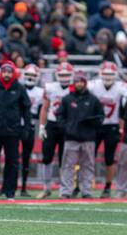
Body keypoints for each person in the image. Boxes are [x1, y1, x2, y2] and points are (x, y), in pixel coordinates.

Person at [0, 63, 31, 200]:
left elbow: (26, 109)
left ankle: (10, 192)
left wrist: (27, 127)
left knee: (12, 162)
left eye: (9, 72)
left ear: (13, 73)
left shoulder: (19, 88)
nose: (7, 74)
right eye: (4, 71)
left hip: (13, 131)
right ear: (1, 72)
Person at [57, 73, 104, 198]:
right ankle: (65, 191)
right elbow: (60, 115)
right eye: (77, 81)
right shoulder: (67, 99)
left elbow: (101, 116)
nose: (79, 84)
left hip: (88, 138)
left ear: (85, 83)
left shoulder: (93, 100)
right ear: (74, 83)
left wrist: (93, 123)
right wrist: (67, 128)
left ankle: (86, 191)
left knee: (87, 166)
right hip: (71, 138)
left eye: (81, 81)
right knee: (67, 165)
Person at [37, 63, 73, 199]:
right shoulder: (51, 87)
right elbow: (45, 108)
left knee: (65, 158)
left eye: (66, 75)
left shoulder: (74, 88)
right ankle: (46, 187)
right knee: (47, 157)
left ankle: (64, 188)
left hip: (67, 126)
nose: (64, 78)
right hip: (52, 124)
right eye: (62, 75)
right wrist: (42, 126)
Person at [88, 62, 124, 197]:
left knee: (109, 159)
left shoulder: (120, 87)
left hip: (112, 126)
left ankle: (108, 186)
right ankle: (85, 185)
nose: (108, 77)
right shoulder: (94, 85)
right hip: (96, 125)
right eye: (106, 73)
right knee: (89, 157)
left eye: (110, 74)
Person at [20, 64, 44, 196]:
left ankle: (23, 186)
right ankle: (7, 186)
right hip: (16, 126)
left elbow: (40, 112)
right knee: (11, 158)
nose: (30, 78)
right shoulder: (18, 88)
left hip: (30, 126)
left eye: (33, 75)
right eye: (28, 75)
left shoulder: (40, 92)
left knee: (26, 157)